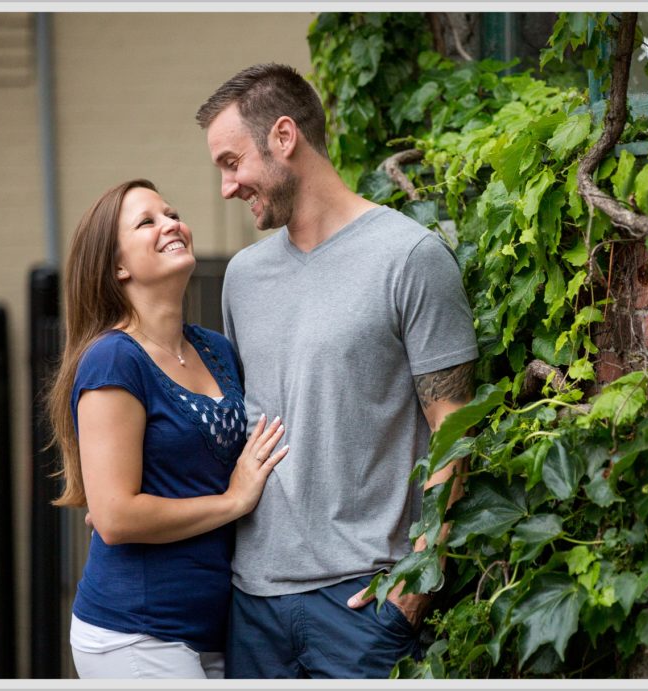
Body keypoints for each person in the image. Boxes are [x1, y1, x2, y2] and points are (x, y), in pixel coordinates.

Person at [194, 63, 479, 679]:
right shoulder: (243, 278)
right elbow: (242, 423)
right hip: (254, 605)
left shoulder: (409, 257)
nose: (226, 186)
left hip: (362, 606)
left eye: (231, 162)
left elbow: (455, 427)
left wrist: (415, 589)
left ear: (284, 137)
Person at [48, 178, 289, 679]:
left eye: (172, 213)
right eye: (147, 222)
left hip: (216, 626)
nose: (171, 225)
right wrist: (232, 501)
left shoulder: (216, 350)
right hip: (136, 632)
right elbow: (114, 517)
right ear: (117, 266)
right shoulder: (114, 359)